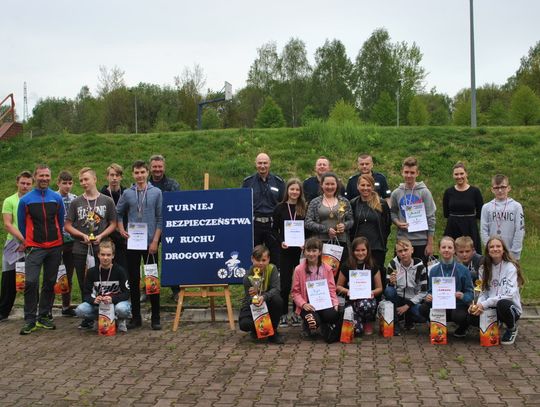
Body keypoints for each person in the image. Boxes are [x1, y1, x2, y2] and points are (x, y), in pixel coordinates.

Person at [64, 167, 117, 329]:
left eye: (86, 179)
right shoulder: (76, 202)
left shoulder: (106, 201)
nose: (83, 183)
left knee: (103, 281)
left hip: (101, 249)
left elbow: (113, 223)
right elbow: (67, 225)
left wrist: (101, 236)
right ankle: (88, 316)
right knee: (85, 282)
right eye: (81, 180)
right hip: (81, 249)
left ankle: (105, 313)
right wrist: (81, 235)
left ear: (94, 179)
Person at [17, 164, 65, 335]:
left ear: (50, 178)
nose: (44, 179)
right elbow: (22, 225)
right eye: (41, 176)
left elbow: (60, 221)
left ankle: (44, 315)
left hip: (54, 246)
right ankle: (30, 319)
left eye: (47, 176)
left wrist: (59, 241)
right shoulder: (26, 200)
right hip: (34, 248)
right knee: (30, 282)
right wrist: (28, 241)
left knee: (50, 282)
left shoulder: (56, 198)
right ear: (35, 177)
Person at [117, 160, 163, 330]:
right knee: (134, 280)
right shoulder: (128, 193)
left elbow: (160, 218)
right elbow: (118, 213)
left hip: (150, 242)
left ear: (147, 172)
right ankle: (136, 317)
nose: (140, 175)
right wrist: (121, 230)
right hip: (133, 243)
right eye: (136, 173)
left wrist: (155, 241)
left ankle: (155, 317)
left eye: (142, 172)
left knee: (152, 280)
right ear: (133, 174)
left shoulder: (156, 192)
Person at [467, 237, 524, 345]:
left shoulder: (510, 267)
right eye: (491, 247)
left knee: (503, 304)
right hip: (491, 306)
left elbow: (508, 295)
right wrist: (478, 305)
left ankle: (512, 328)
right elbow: (483, 292)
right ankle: (494, 324)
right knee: (471, 315)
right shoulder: (483, 268)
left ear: (503, 250)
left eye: (498, 246)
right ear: (488, 251)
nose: (495, 249)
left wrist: (484, 304)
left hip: (509, 307)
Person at [419, 236, 474, 338]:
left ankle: (463, 328)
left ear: (454, 250)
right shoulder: (434, 270)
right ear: (439, 250)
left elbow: (470, 293)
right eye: (443, 247)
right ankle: (437, 324)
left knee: (459, 316)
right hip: (440, 305)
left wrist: (462, 296)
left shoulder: (463, 270)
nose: (446, 250)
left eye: (449, 247)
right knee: (423, 308)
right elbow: (430, 291)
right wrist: (429, 297)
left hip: (457, 306)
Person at [75, 239, 131, 332]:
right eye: (103, 254)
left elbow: (126, 293)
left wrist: (112, 299)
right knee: (80, 310)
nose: (105, 258)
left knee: (122, 309)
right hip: (99, 305)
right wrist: (94, 300)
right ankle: (99, 319)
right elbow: (86, 294)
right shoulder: (91, 272)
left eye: (108, 255)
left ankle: (120, 320)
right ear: (98, 255)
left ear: (113, 255)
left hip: (116, 304)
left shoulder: (120, 271)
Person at [305, 172, 353, 280]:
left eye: (332, 184)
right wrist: (325, 229)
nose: (330, 187)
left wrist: (344, 226)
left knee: (340, 273)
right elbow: (308, 222)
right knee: (321, 274)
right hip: (321, 243)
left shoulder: (344, 201)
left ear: (337, 185)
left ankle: (337, 296)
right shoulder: (315, 202)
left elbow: (351, 220)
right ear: (322, 185)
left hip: (341, 242)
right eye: (327, 184)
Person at [272, 178, 306, 328]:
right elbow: (273, 230)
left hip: (300, 251)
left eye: (297, 190)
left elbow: (309, 228)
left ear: (300, 192)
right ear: (287, 191)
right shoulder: (279, 208)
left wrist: (306, 243)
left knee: (300, 284)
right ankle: (284, 314)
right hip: (285, 251)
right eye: (292, 189)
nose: (294, 192)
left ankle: (298, 314)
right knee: (285, 285)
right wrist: (281, 241)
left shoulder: (304, 207)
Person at [242, 153, 285, 269]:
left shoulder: (278, 182)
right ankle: (255, 283)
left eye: (265, 163)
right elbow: (243, 204)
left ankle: (275, 283)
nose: (262, 166)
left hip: (272, 225)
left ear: (269, 164)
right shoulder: (248, 182)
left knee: (275, 255)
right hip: (255, 224)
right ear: (256, 164)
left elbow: (283, 203)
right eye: (260, 163)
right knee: (256, 255)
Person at [291, 237, 339, 341]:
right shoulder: (298, 269)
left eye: (314, 250)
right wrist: (303, 304)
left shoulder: (327, 268)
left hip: (323, 302)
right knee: (313, 322)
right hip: (307, 304)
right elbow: (295, 292)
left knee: (333, 314)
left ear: (320, 252)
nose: (311, 254)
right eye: (308, 250)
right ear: (304, 251)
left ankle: (324, 324)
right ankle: (307, 325)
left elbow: (331, 288)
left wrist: (335, 303)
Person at [390, 156, 436, 264]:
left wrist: (430, 244)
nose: (409, 175)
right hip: (402, 240)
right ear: (402, 172)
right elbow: (392, 212)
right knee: (400, 274)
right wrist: (397, 222)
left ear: (417, 173)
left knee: (421, 276)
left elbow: (431, 218)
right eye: (406, 172)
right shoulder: (396, 193)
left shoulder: (424, 192)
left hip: (421, 241)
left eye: (412, 172)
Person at [0, 171, 33, 321]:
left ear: (31, 184)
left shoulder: (34, 200)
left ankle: (31, 312)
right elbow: (7, 224)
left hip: (31, 243)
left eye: (28, 184)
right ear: (17, 183)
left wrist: (28, 241)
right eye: (23, 183)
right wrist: (22, 240)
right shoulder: (9, 200)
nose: (25, 186)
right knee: (8, 278)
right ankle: (4, 311)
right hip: (13, 244)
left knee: (30, 278)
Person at [148, 155, 180, 301]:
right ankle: (151, 288)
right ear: (150, 167)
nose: (157, 169)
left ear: (164, 167)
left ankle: (176, 289)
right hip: (150, 226)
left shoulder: (173, 185)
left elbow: (178, 205)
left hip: (169, 226)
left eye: (160, 166)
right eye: (154, 167)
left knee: (172, 258)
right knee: (150, 259)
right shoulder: (145, 184)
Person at [336, 237, 383, 336]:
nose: (360, 253)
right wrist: (347, 291)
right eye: (357, 250)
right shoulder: (347, 265)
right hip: (351, 300)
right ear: (353, 251)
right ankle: (357, 320)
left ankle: (367, 321)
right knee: (357, 331)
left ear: (368, 250)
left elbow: (380, 288)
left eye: (363, 250)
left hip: (367, 301)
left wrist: (371, 293)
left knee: (366, 304)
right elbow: (338, 286)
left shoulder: (373, 265)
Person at [238, 245, 284, 344]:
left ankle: (273, 332)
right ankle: (257, 330)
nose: (260, 263)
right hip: (254, 306)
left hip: (268, 301)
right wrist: (254, 298)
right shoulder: (247, 277)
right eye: (257, 260)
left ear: (268, 259)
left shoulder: (273, 269)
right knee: (244, 324)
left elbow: (276, 289)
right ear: (252, 259)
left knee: (278, 300)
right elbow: (248, 299)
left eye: (264, 260)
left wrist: (263, 296)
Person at [350, 173, 391, 284]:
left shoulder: (382, 203)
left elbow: (387, 224)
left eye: (368, 185)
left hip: (376, 246)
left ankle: (378, 299)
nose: (365, 188)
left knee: (376, 275)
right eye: (362, 185)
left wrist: (383, 240)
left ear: (373, 187)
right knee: (359, 276)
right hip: (359, 247)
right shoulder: (353, 203)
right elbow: (350, 225)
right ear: (358, 186)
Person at [383, 239, 427, 335]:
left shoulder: (420, 267)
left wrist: (407, 305)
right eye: (400, 251)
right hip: (397, 298)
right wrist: (391, 283)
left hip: (412, 299)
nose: (403, 253)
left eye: (406, 250)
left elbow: (423, 291)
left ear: (412, 250)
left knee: (421, 316)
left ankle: (409, 319)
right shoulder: (392, 265)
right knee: (389, 291)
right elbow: (388, 290)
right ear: (396, 253)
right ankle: (395, 323)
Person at [480, 174, 525, 260]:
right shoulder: (486, 207)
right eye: (496, 188)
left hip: (511, 252)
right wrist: (489, 248)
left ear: (509, 188)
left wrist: (514, 251)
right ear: (492, 189)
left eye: (503, 187)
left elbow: (520, 230)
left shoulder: (516, 206)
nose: (500, 190)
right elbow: (483, 230)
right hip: (493, 252)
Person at [443, 162, 484, 253]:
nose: (459, 176)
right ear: (453, 175)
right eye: (456, 174)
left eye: (461, 173)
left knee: (471, 254)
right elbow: (446, 213)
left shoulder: (475, 191)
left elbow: (480, 213)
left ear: (466, 174)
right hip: (452, 227)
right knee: (452, 253)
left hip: (470, 227)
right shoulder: (448, 192)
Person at [56, 171, 77, 316]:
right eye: (64, 183)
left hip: (72, 241)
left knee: (68, 274)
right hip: (56, 241)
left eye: (70, 183)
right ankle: (47, 307)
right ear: (58, 183)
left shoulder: (75, 198)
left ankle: (66, 305)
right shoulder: (53, 197)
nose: (67, 186)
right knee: (54, 274)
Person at [100, 163, 128, 270]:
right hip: (108, 235)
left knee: (125, 265)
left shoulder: (126, 193)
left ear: (121, 177)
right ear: (107, 176)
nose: (114, 178)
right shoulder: (101, 194)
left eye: (117, 175)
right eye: (112, 175)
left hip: (124, 234)